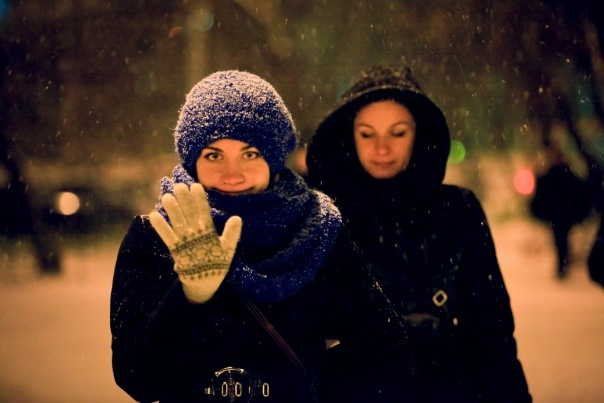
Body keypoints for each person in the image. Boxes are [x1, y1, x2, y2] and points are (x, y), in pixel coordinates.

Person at [110, 70, 413, 403]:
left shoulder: (317, 231)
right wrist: (188, 298)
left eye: (250, 154)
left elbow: (387, 354)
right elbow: (137, 377)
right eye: (214, 155)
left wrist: (303, 386)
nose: (232, 174)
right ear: (193, 160)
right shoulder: (155, 236)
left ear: (274, 160)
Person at [306, 65, 532, 402]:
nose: (382, 148)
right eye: (367, 134)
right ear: (348, 136)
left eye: (398, 133)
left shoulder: (458, 211)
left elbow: (491, 329)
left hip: (448, 391)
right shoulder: (322, 217)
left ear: (419, 134)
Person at [530, 146, 592, 279]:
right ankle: (562, 263)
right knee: (561, 240)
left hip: (559, 214)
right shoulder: (566, 175)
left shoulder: (555, 176)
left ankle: (562, 264)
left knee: (560, 240)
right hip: (563, 214)